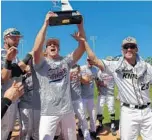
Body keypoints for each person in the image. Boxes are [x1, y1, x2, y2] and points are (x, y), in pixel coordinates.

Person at [83, 36, 152, 140]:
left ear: (136, 49)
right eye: (126, 47)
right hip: (129, 112)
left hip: (147, 111)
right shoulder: (115, 66)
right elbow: (94, 60)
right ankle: (106, 124)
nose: (129, 49)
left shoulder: (147, 67)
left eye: (132, 46)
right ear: (122, 50)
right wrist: (84, 41)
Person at [31, 11, 86, 140]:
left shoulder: (65, 61)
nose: (52, 45)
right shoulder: (41, 63)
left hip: (67, 110)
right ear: (46, 50)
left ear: (59, 49)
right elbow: (36, 49)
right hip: (48, 111)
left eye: (55, 44)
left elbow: (82, 48)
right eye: (50, 44)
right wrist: (45, 24)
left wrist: (80, 25)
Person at [1, 28, 23, 140]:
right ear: (5, 38)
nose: (17, 40)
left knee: (9, 131)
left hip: (14, 100)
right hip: (3, 98)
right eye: (13, 37)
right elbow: (3, 78)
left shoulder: (17, 57)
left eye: (18, 38)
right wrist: (9, 62)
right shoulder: (1, 54)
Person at [70, 64, 91, 140]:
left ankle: (87, 137)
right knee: (69, 122)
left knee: (83, 119)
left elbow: (87, 81)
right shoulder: (66, 70)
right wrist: (70, 75)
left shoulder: (79, 73)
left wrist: (79, 76)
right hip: (67, 101)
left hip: (78, 100)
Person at [95, 62, 117, 136]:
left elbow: (119, 82)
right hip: (102, 94)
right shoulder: (99, 72)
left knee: (111, 109)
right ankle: (100, 124)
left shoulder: (113, 72)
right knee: (100, 109)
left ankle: (113, 126)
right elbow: (97, 81)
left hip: (110, 94)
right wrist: (98, 89)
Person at [80, 58, 98, 139]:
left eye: (91, 60)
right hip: (82, 96)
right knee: (82, 115)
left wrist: (98, 88)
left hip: (91, 96)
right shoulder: (82, 68)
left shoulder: (95, 69)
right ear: (86, 60)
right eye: (88, 60)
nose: (89, 61)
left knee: (93, 114)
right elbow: (81, 81)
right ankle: (81, 129)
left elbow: (96, 80)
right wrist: (86, 80)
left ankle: (93, 130)